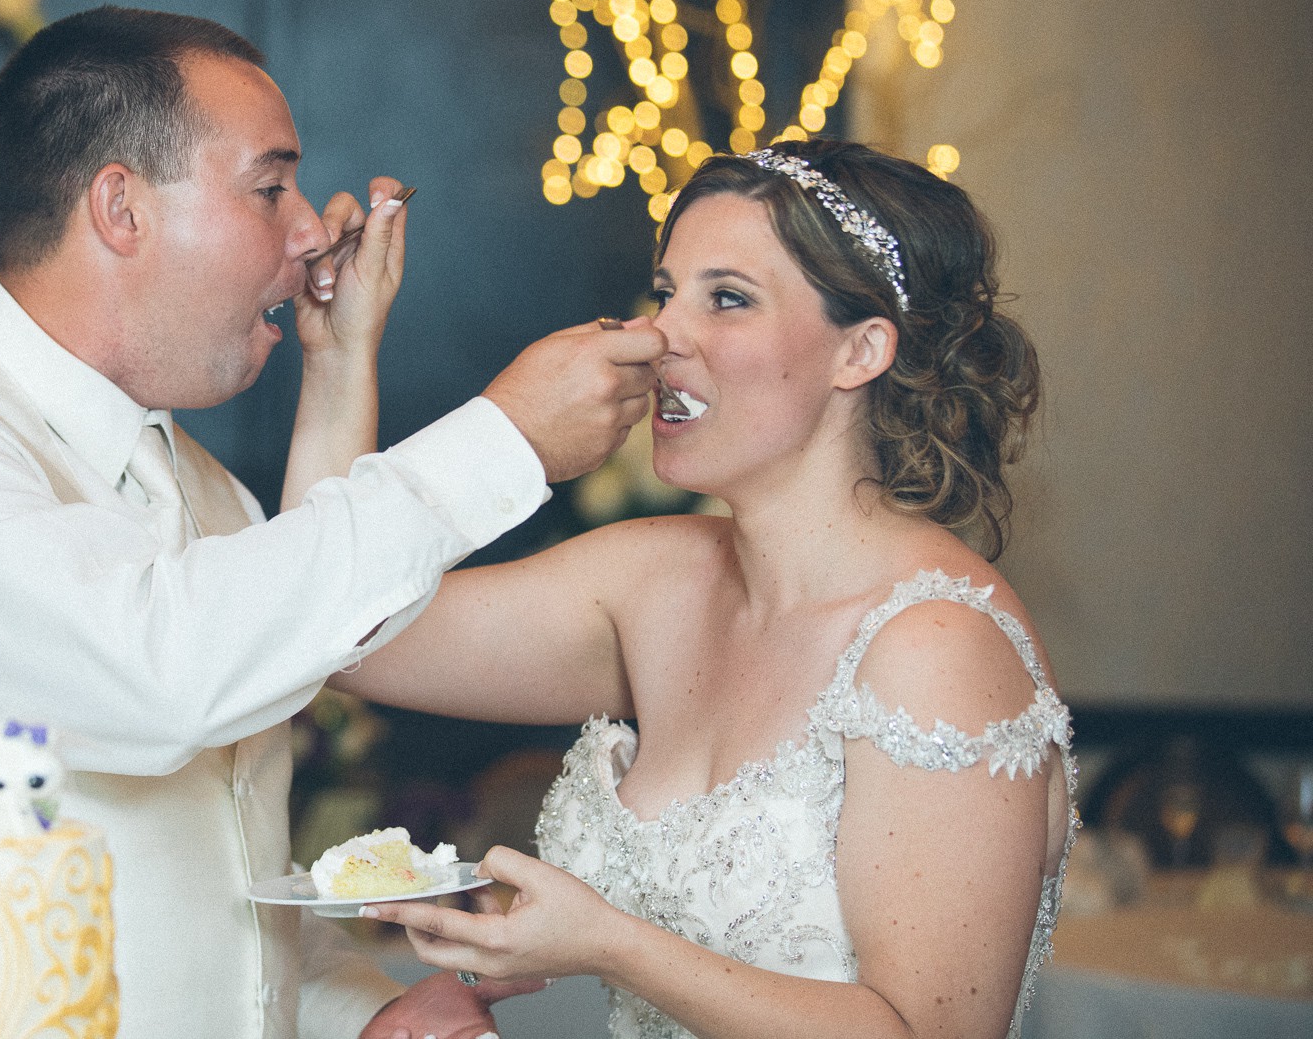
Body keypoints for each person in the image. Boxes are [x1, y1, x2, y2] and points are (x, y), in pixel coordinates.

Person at [0, 5, 666, 1039]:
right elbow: (152, 674)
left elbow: (211, 887)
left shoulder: (210, 494)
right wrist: (506, 442)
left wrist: (365, 1015)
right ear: (120, 208)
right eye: (270, 187)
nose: (314, 228)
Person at [329, 141, 1073, 1039]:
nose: (661, 335)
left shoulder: (935, 646)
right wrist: (341, 355)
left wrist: (611, 943)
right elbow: (339, 629)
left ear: (862, 349)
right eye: (666, 290)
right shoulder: (653, 577)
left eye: (726, 298)